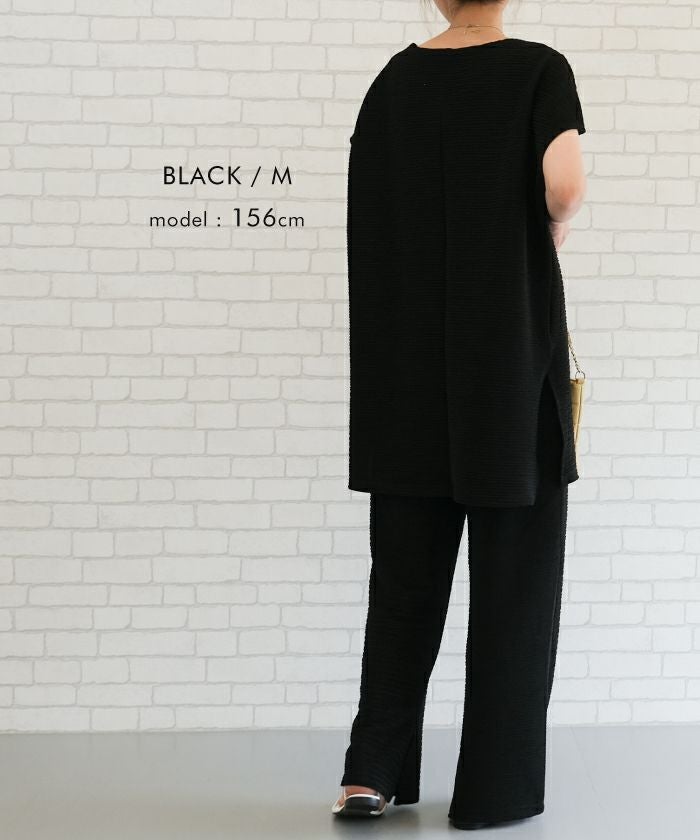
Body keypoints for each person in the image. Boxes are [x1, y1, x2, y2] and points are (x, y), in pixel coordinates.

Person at [332, 0, 587, 831]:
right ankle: (493, 792)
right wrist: (547, 229)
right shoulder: (539, 70)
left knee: (402, 587)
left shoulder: (393, 83)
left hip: (405, 376)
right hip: (506, 369)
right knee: (516, 588)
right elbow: (565, 184)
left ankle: (370, 775)